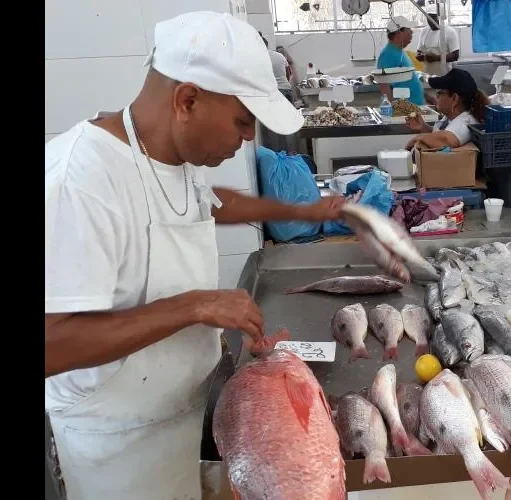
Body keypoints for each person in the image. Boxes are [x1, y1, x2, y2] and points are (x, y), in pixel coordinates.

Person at [44, 11, 344, 500]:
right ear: (187, 99)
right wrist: (194, 306)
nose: (248, 138)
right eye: (243, 122)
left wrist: (301, 209)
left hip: (183, 412)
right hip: (117, 451)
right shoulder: (81, 180)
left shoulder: (169, 154)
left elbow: (207, 205)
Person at [404, 68, 489, 150]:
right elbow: (438, 135)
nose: (435, 97)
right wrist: (423, 126)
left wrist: (418, 138)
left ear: (454, 99)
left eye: (439, 93)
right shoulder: (451, 116)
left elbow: (446, 140)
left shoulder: (465, 122)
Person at [377, 16, 426, 106]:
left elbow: (410, 82)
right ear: (400, 31)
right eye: (409, 29)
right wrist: (392, 113)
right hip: (403, 112)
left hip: (413, 108)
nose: (412, 32)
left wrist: (428, 97)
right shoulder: (388, 54)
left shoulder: (400, 52)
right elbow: (385, 87)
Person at [416, 3, 460, 76]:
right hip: (427, 75)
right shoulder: (424, 31)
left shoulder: (450, 31)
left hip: (445, 75)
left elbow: (455, 56)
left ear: (439, 17)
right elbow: (418, 51)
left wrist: (436, 58)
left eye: (433, 17)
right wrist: (421, 57)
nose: (430, 21)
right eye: (428, 18)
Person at [260, 33, 292, 102]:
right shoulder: (280, 55)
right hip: (287, 89)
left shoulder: (259, 58)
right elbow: (288, 74)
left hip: (273, 93)